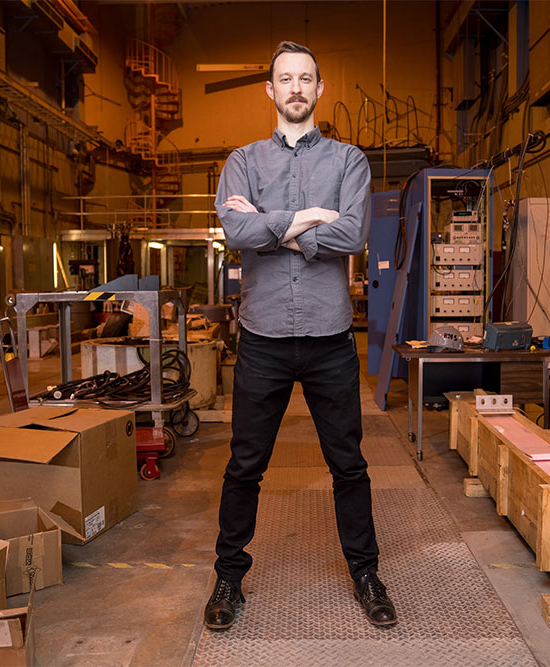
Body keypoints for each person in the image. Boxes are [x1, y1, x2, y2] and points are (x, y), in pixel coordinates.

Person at [204, 41, 397, 631]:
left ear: (319, 89)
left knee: (349, 466)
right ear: (269, 90)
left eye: (305, 79)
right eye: (284, 79)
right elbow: (234, 229)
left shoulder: (348, 160)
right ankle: (228, 577)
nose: (295, 88)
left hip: (330, 339)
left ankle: (365, 572)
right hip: (262, 338)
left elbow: (353, 236)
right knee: (244, 467)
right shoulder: (242, 160)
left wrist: (276, 230)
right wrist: (311, 218)